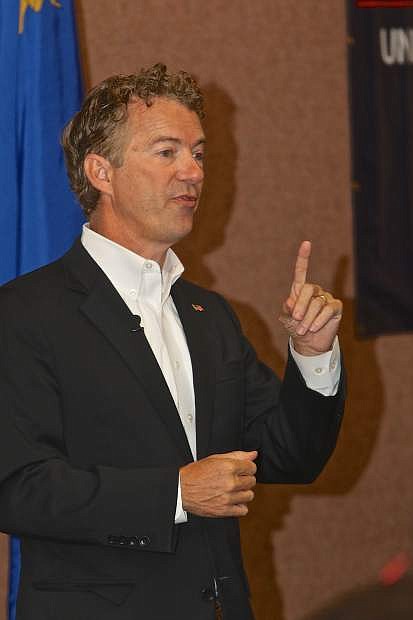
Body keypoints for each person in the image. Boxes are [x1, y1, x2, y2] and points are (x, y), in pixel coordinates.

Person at [0, 63, 345, 620]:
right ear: (101, 172)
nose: (192, 172)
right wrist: (175, 496)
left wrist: (312, 356)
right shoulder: (23, 313)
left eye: (199, 154)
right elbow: (17, 488)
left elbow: (290, 455)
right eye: (167, 152)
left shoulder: (209, 316)